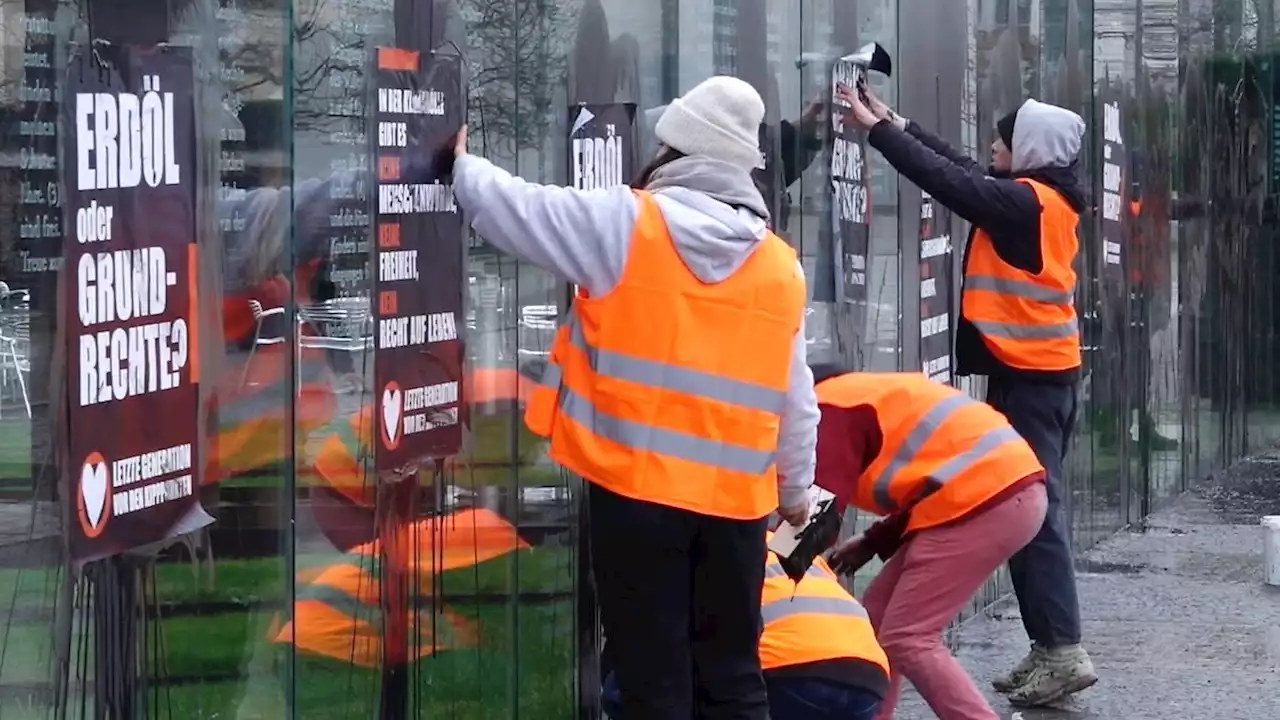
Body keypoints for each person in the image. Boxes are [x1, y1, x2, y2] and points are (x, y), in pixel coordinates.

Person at [451, 75, 820, 719]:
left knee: (653, 686)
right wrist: (795, 494)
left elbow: (520, 209)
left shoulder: (628, 224)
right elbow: (797, 401)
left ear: (673, 150)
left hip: (636, 500)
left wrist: (457, 163)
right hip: (735, 514)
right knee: (732, 680)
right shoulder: (779, 266)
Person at [837, 83, 1098, 706]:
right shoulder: (1038, 200)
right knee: (1029, 508)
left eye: (1002, 141)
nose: (991, 147)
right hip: (1039, 374)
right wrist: (898, 121)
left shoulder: (1028, 204)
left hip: (1033, 380)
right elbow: (961, 167)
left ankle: (1062, 649)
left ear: (1028, 151)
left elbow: (950, 182)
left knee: (1031, 511)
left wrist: (879, 136)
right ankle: (1050, 648)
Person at [812, 365, 1048, 719]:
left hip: (985, 499)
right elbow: (934, 477)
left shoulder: (827, 407)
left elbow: (819, 513)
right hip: (1000, 492)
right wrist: (875, 540)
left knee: (909, 636)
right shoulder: (861, 393)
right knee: (875, 618)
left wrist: (772, 560)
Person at [601, 530, 889, 720]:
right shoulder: (784, 545)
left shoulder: (700, 550)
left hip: (786, 671)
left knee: (628, 690)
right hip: (869, 676)